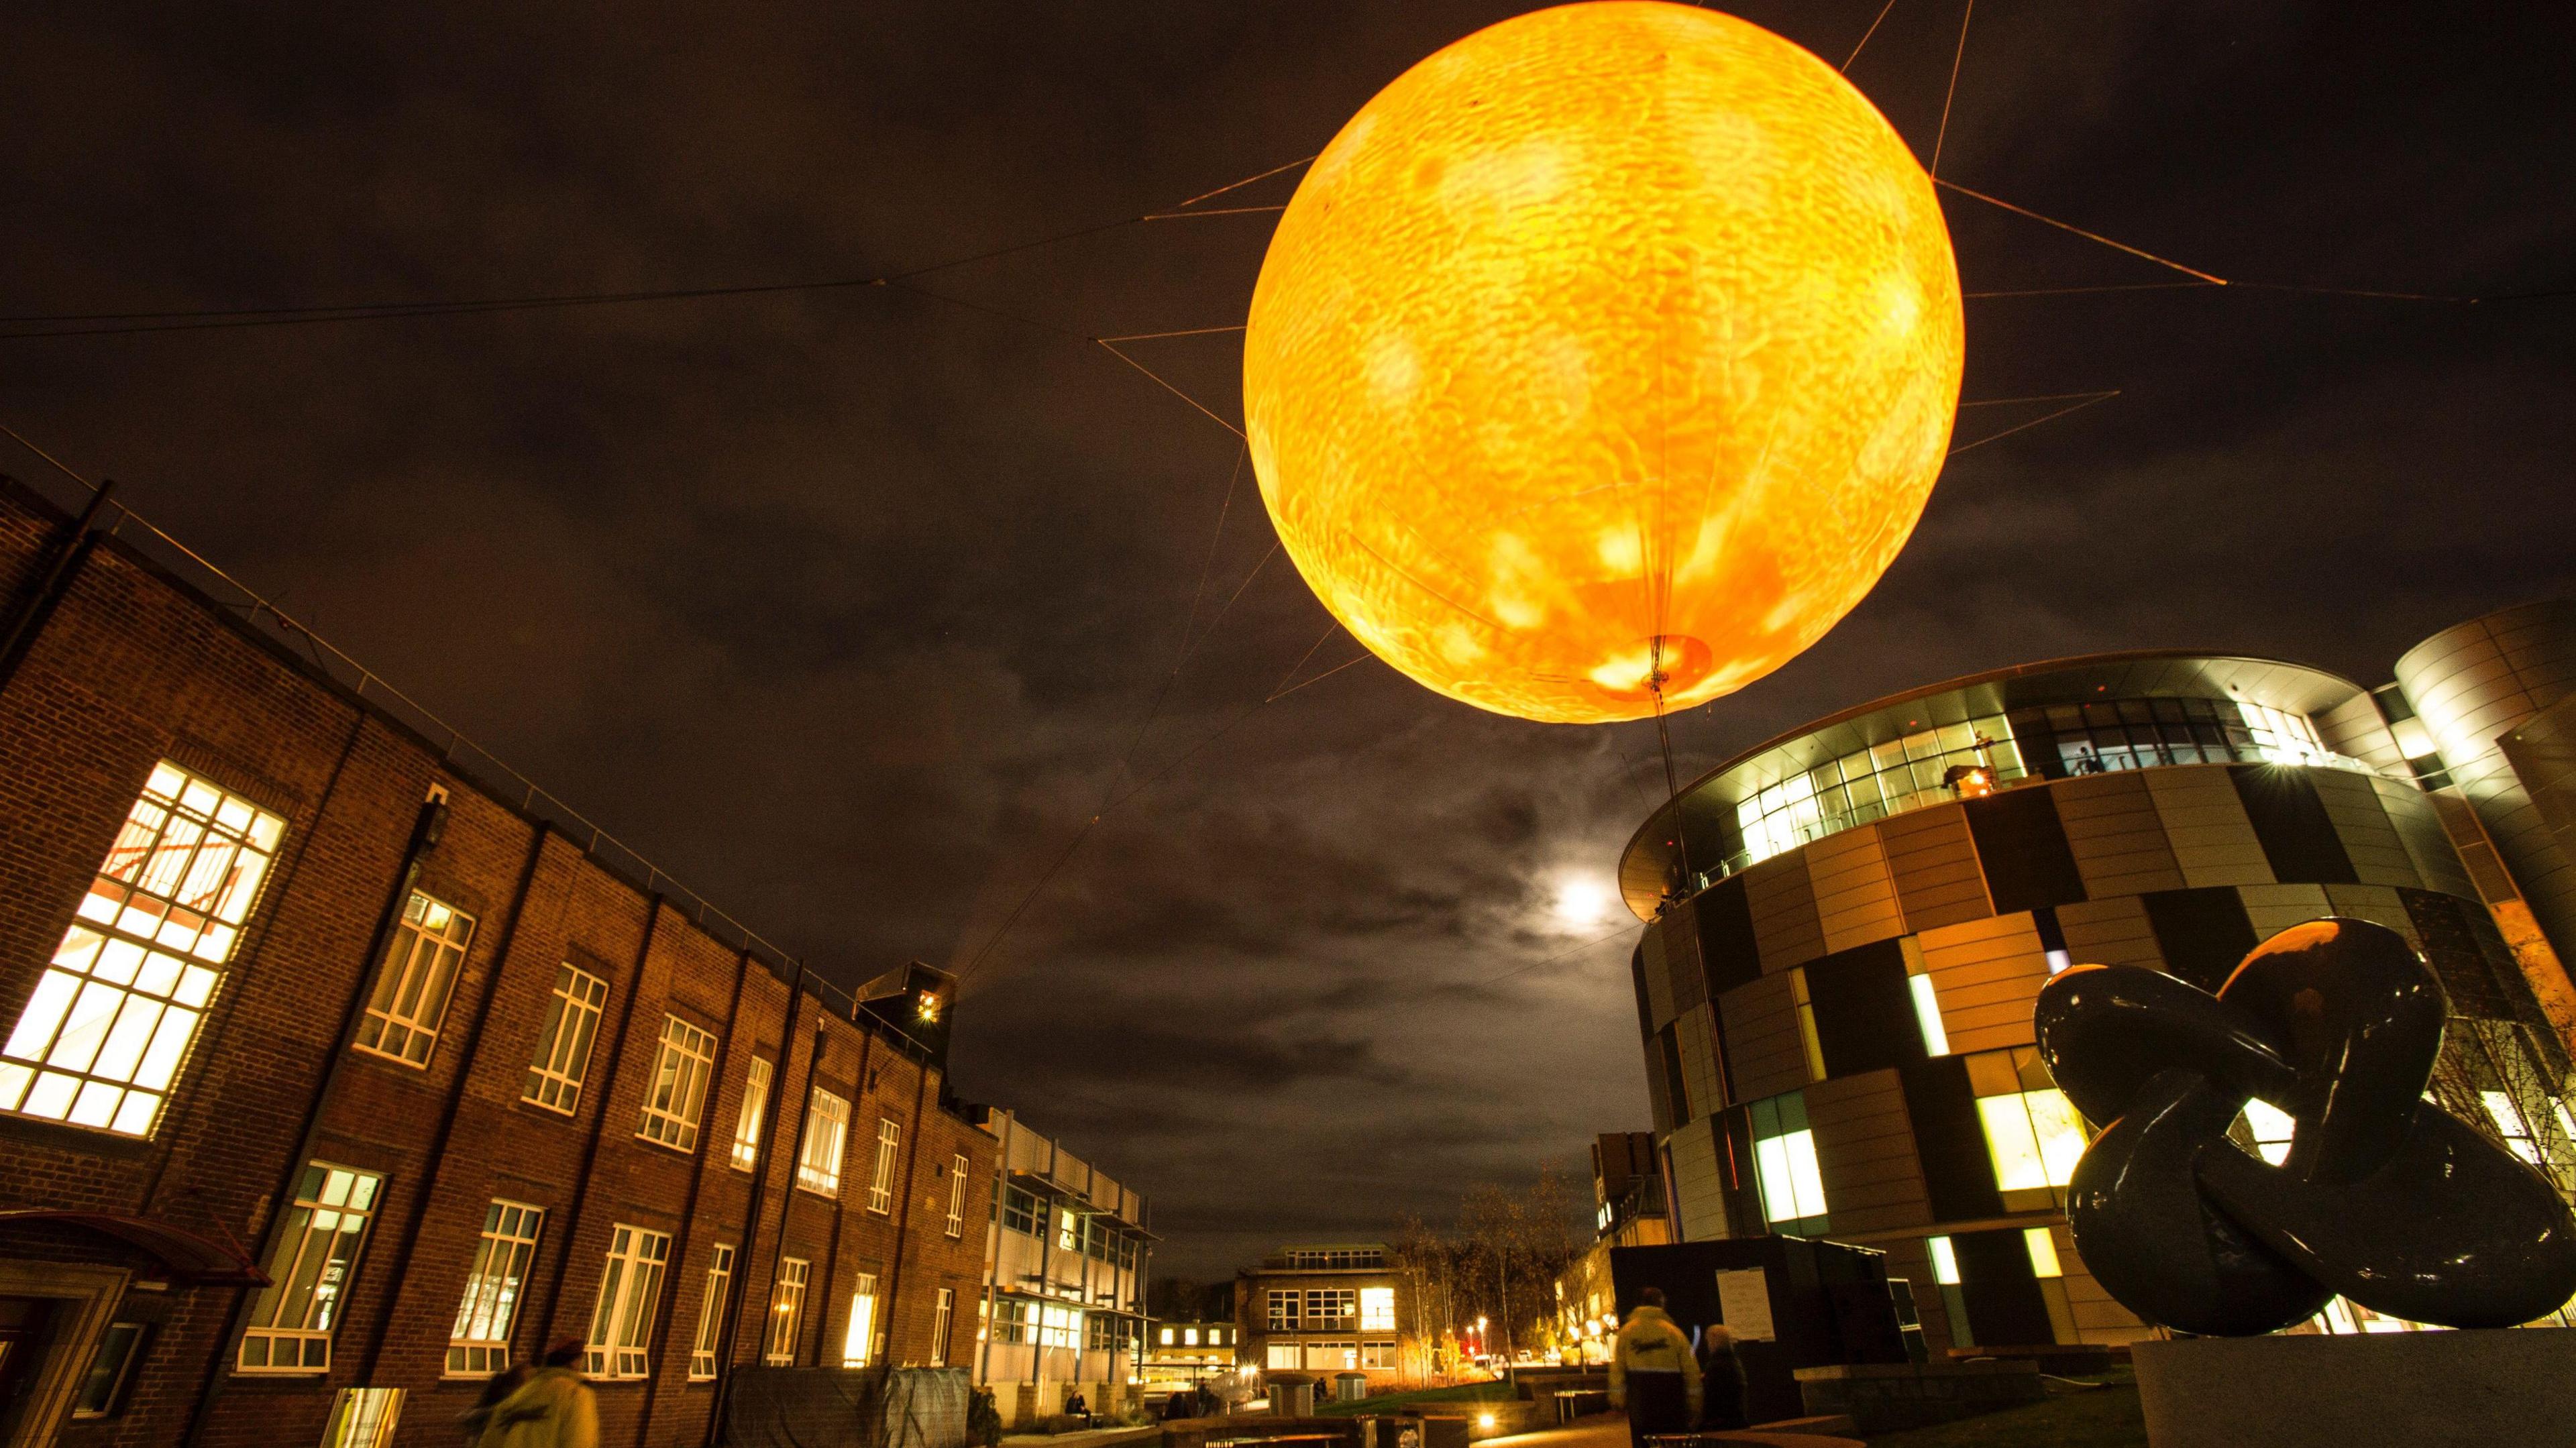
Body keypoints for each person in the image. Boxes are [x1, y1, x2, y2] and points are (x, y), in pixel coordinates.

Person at [1608, 1288, 1699, 1448]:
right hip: (1672, 1402)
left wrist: (1618, 1401)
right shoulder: (1674, 1333)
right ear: (1661, 1304)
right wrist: (1695, 1405)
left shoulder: (1627, 1333)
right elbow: (1691, 1372)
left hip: (1641, 1403)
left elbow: (1618, 1370)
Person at [474, 1338, 597, 1448]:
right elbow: (581, 1441)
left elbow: (490, 1440)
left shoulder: (521, 1392)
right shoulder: (576, 1394)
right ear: (574, 1362)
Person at [1695, 1323, 1747, 1431]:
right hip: (1738, 1419)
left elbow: (1712, 1397)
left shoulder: (1715, 1365)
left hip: (1720, 1423)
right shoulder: (1734, 1362)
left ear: (1713, 1341)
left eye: (1708, 1341)